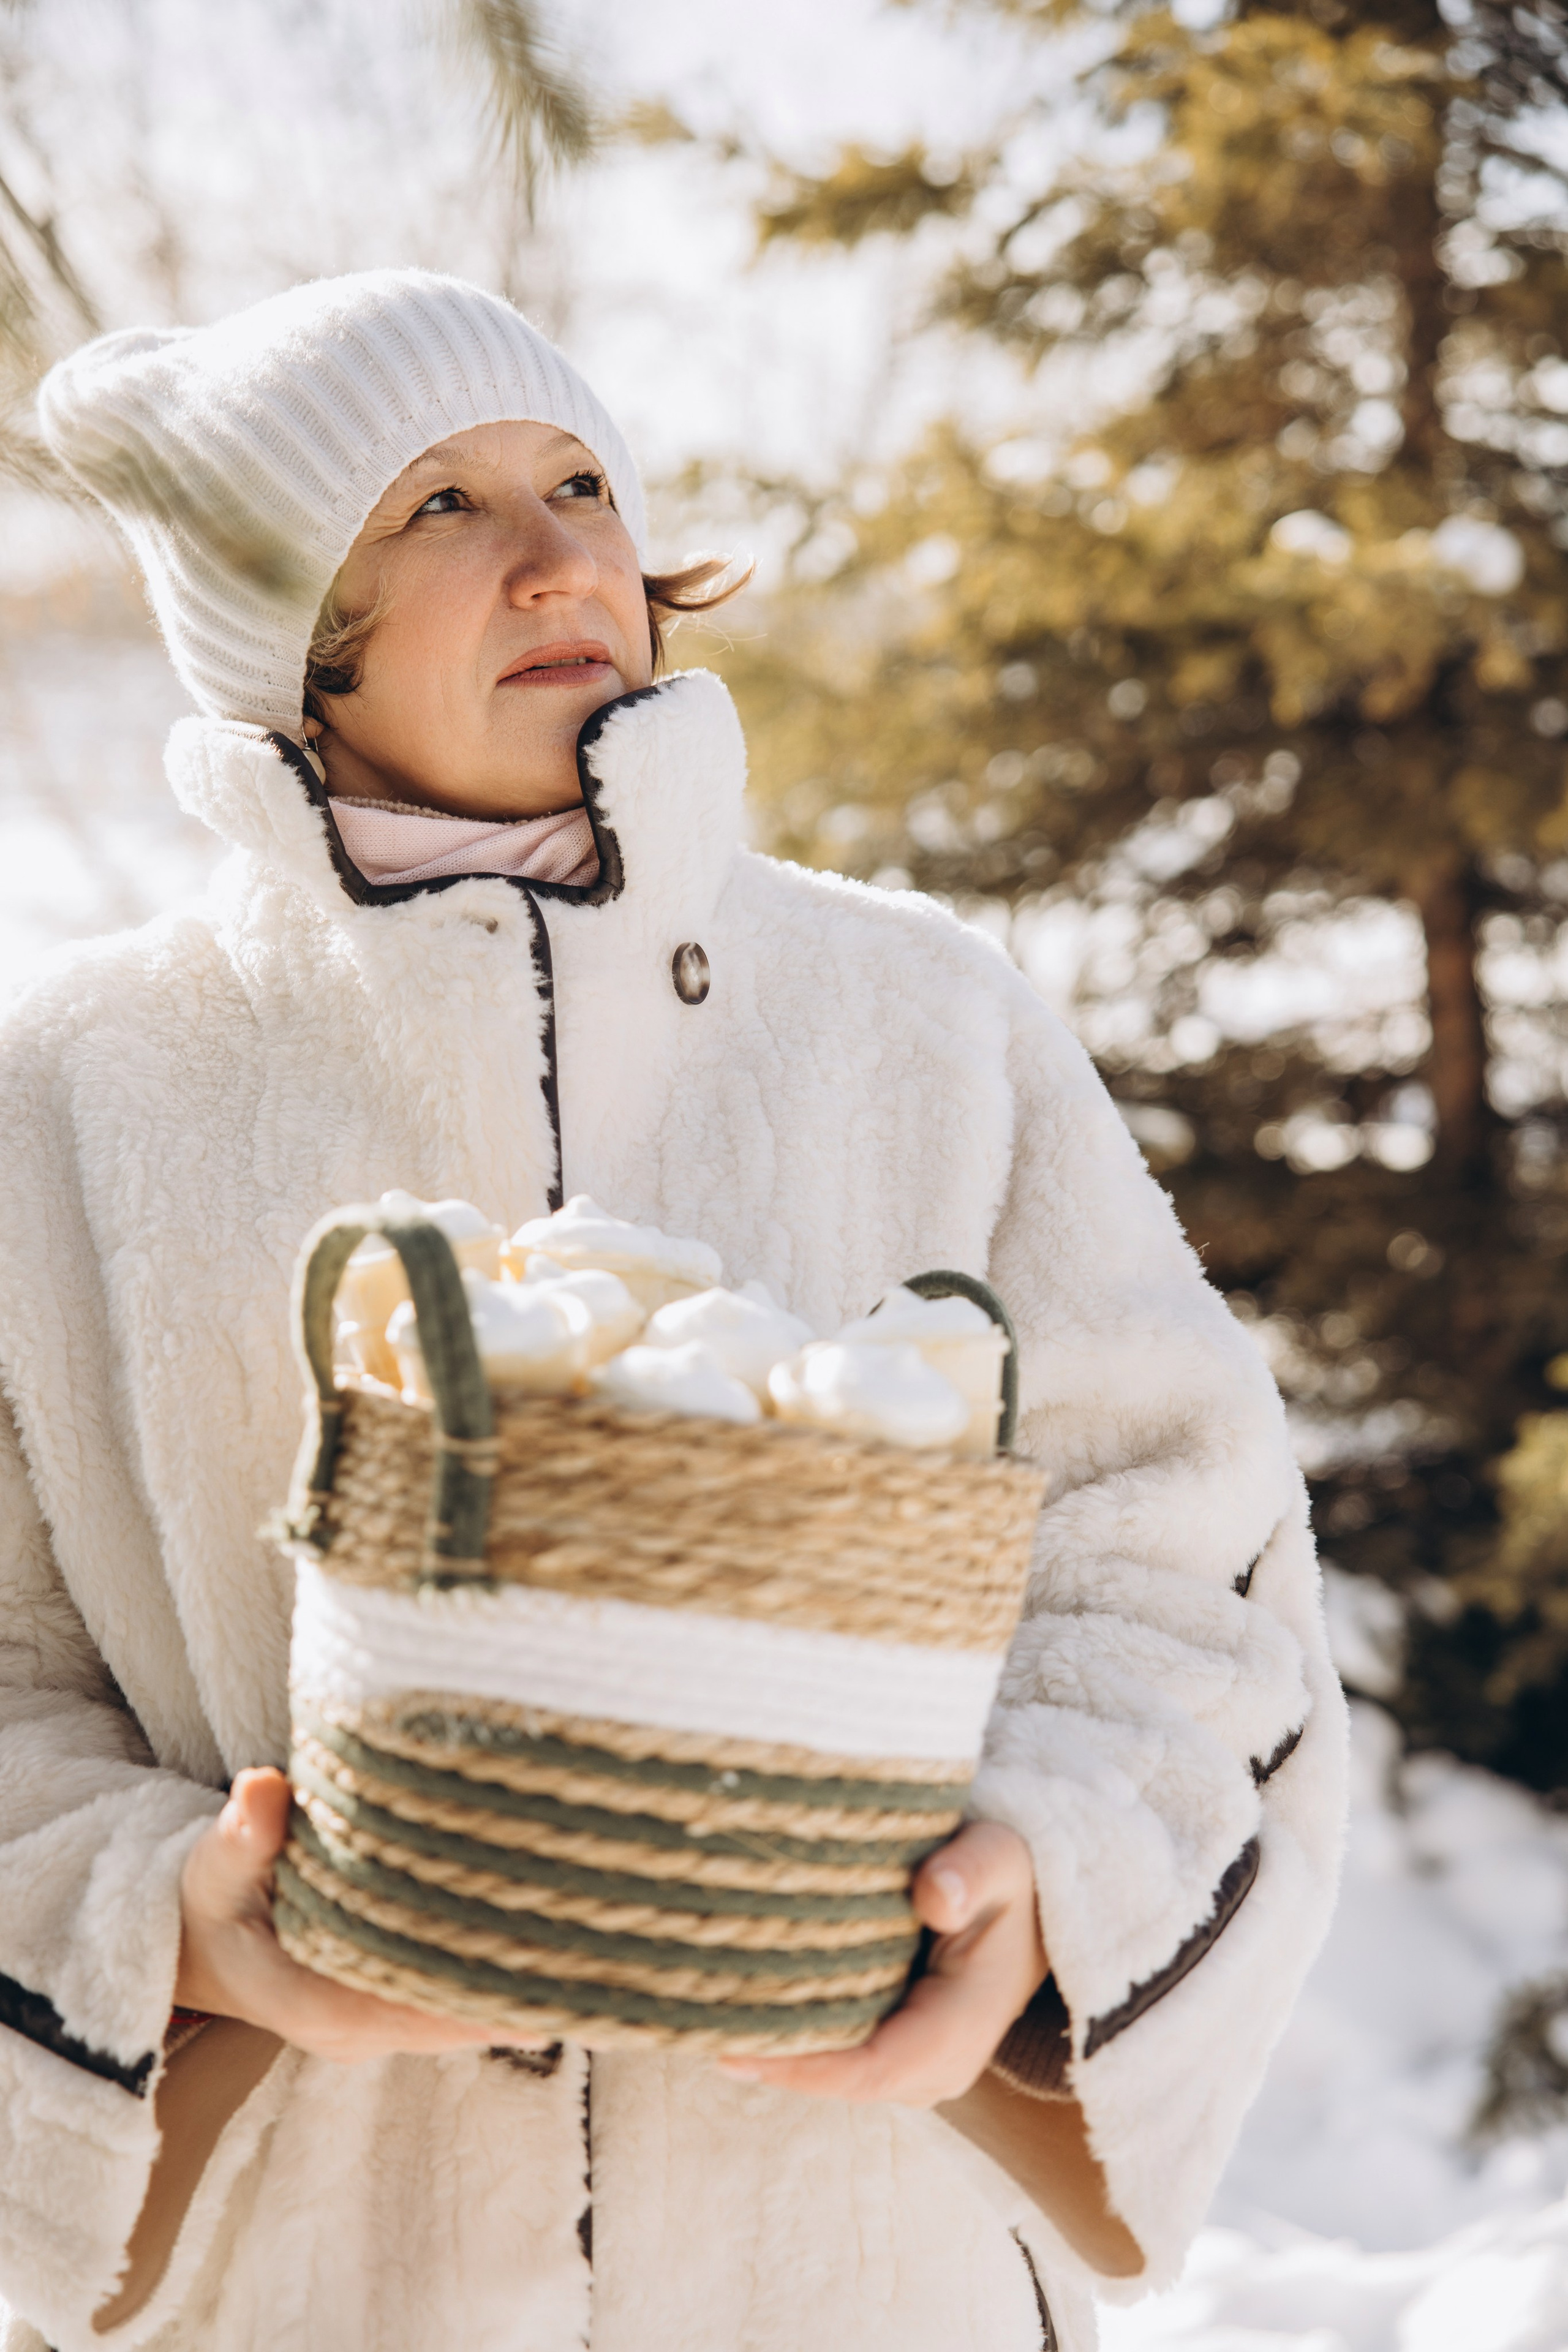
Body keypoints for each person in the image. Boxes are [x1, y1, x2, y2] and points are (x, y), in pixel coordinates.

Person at [0, 270, 1345, 2352]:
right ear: (298, 636)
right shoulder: (74, 1093)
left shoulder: (921, 1015)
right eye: (433, 508)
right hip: (312, 2287)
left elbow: (1181, 1555)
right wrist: (172, 1930)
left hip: (864, 2277)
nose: (555, 555)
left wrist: (1043, 1879)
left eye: (580, 479)